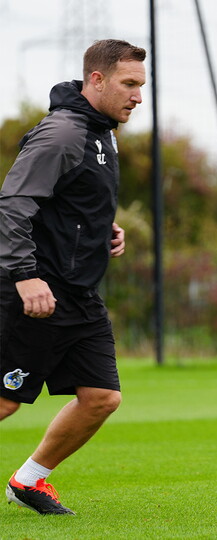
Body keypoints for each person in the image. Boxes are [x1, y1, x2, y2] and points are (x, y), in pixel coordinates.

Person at [0, 39, 146, 515]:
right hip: (36, 289)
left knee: (102, 397)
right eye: (129, 84)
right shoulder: (63, 132)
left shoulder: (103, 131)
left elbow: (69, 201)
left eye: (141, 86)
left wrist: (106, 228)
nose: (138, 96)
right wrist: (25, 275)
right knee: (4, 401)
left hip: (78, 293)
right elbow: (14, 204)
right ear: (96, 80)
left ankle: (29, 481)